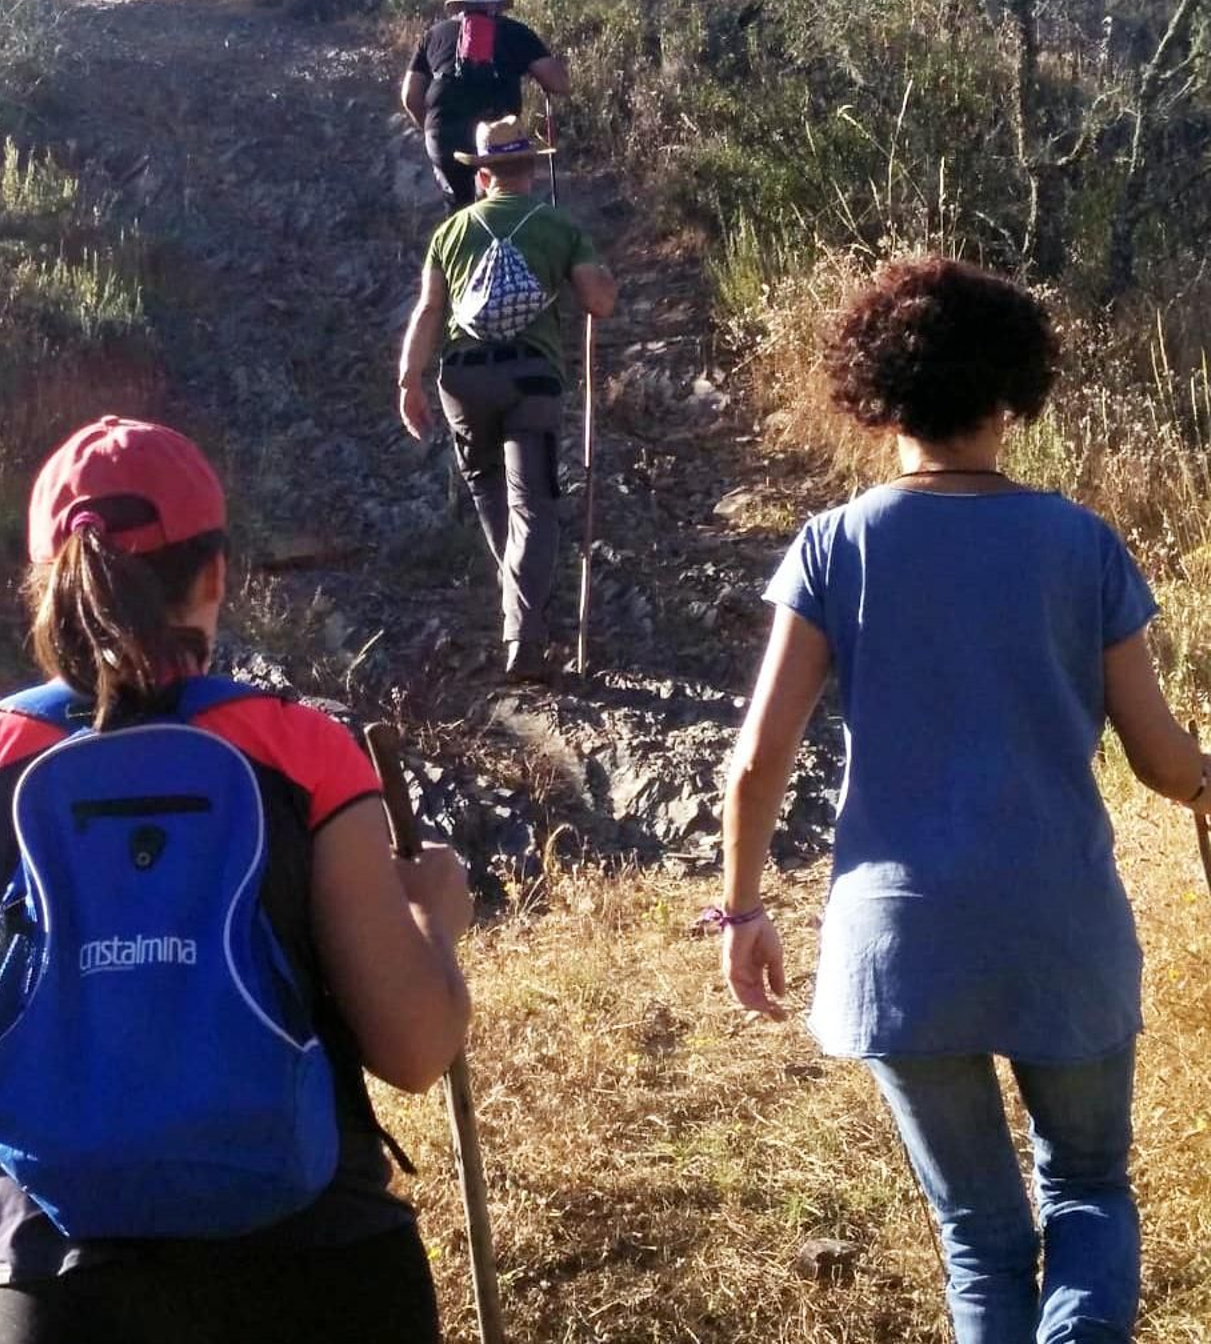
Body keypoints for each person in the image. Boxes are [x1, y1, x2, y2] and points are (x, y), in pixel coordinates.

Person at [0, 415, 473, 1344]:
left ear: (45, 590)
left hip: (60, 1289)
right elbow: (414, 1051)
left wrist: (32, 990)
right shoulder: (304, 753)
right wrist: (434, 923)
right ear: (215, 576)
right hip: (320, 1271)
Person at [720, 257, 1211, 1344]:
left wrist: (744, 908)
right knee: (1086, 1189)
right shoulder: (1080, 543)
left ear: (878, 394)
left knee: (979, 1236)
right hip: (1059, 926)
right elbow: (1158, 758)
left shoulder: (834, 546)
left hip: (900, 945)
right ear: (1010, 395)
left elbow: (757, 757)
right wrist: (1203, 777)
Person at [397, 118, 615, 683]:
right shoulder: (560, 226)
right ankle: (524, 631)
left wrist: (408, 380)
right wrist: (598, 273)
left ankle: (522, 614)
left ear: (483, 173)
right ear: (534, 168)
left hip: (462, 381)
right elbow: (599, 302)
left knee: (489, 493)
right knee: (534, 505)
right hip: (532, 381)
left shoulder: (451, 232)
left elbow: (428, 312)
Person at [401, 0, 570, 213]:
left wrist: (430, 128)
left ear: (461, 6)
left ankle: (462, 243)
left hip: (444, 133)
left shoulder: (434, 35)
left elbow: (409, 95)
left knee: (459, 210)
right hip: (498, 140)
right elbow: (559, 84)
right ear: (497, 6)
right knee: (498, 207)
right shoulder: (516, 33)